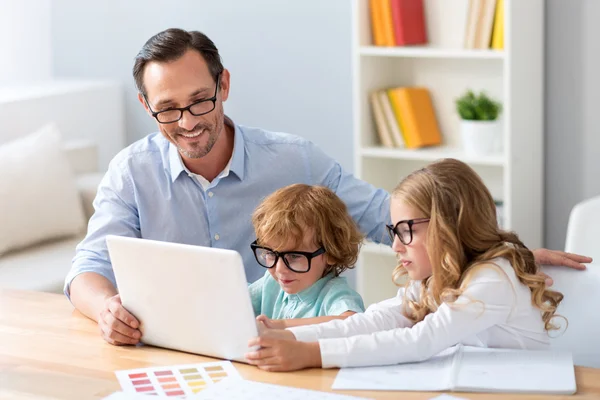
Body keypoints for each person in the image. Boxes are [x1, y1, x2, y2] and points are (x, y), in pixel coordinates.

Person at [64, 28, 591, 347]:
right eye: (168, 109)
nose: (188, 122)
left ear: (224, 85)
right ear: (146, 107)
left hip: (282, 347)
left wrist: (484, 247)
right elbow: (87, 269)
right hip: (177, 346)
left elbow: (386, 215)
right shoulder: (130, 172)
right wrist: (108, 309)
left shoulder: (293, 157)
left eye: (200, 100)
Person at [244, 159, 567, 372]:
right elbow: (373, 321)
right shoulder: (433, 279)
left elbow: (420, 340)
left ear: (448, 227)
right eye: (394, 231)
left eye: (406, 231)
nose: (396, 245)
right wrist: (295, 337)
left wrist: (311, 354)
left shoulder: (493, 278)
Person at [249, 184, 365, 328]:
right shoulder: (271, 283)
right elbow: (236, 301)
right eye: (270, 253)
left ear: (331, 252)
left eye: (294, 256)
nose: (280, 269)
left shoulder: (335, 294)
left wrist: (281, 325)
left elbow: (353, 323)